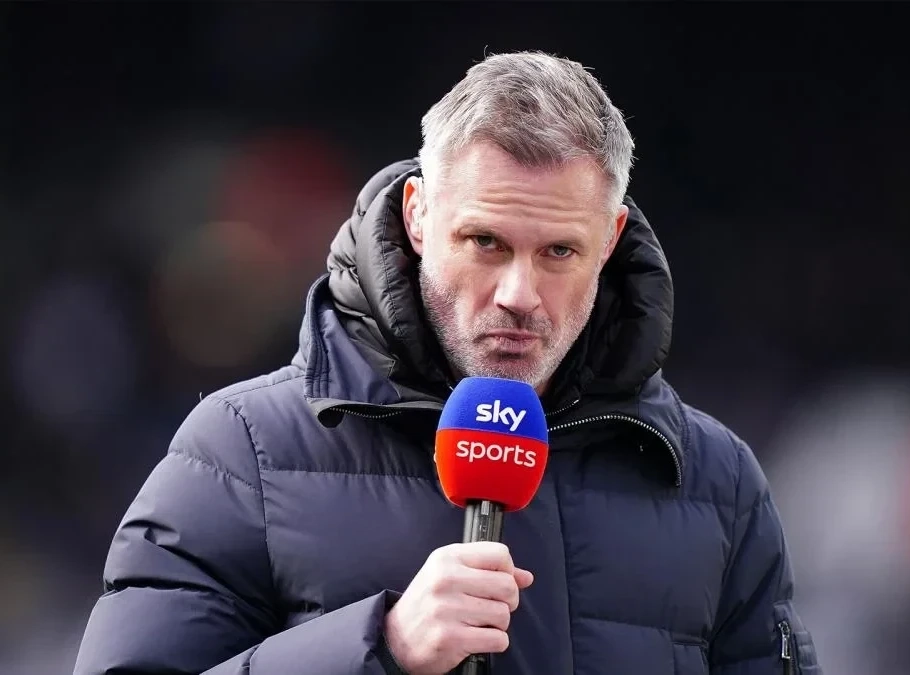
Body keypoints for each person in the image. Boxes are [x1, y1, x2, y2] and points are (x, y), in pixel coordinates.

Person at [74, 51, 821, 675]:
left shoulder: (716, 481)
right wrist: (380, 647)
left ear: (610, 239)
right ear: (418, 217)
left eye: (559, 251)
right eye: (486, 242)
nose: (519, 294)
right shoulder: (242, 450)